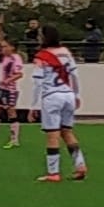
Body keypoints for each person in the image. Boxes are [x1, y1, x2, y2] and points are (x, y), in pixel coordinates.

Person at [31, 27, 87, 183]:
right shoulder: (66, 52)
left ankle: (53, 173)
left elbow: (37, 82)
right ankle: (80, 164)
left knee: (52, 135)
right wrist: (76, 94)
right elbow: (74, 74)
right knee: (67, 132)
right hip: (68, 94)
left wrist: (34, 106)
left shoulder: (41, 56)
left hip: (52, 96)